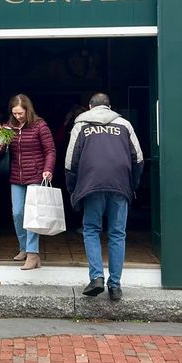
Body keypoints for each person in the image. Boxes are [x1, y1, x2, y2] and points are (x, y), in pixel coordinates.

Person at [64, 92, 144, 300]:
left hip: (91, 185)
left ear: (90, 107)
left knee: (91, 229)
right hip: (120, 185)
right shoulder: (125, 125)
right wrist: (132, 185)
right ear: (110, 107)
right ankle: (115, 286)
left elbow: (70, 161)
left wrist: (73, 189)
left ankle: (97, 277)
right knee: (117, 233)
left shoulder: (80, 126)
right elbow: (138, 159)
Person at [0, 93, 56, 270]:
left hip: (36, 175)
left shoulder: (39, 126)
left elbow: (50, 150)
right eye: (14, 113)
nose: (17, 116)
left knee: (32, 215)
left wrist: (48, 169)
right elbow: (1, 151)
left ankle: (33, 253)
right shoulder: (8, 127)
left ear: (28, 110)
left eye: (20, 113)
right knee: (18, 213)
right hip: (16, 176)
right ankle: (23, 247)